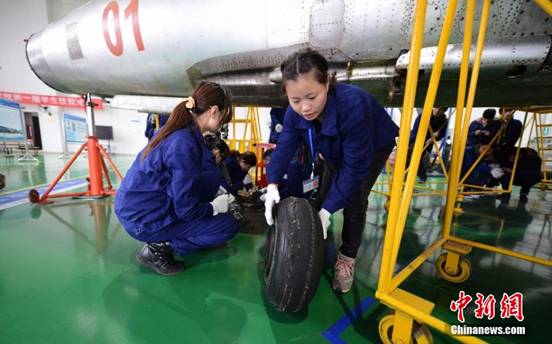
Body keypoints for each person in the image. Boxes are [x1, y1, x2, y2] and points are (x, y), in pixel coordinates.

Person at [264, 49, 398, 293]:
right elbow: (284, 148)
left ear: (327, 82)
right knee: (324, 193)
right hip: (335, 147)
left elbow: (355, 166)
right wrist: (272, 183)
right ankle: (317, 236)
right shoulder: (295, 112)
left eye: (311, 97)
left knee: (355, 199)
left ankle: (347, 258)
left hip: (372, 147)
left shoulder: (353, 105)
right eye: (295, 100)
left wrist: (329, 208)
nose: (304, 107)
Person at [115, 82, 237, 276]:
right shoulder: (184, 143)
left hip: (141, 205)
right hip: (144, 219)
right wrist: (214, 207)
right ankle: (159, 247)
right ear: (214, 111)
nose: (224, 123)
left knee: (211, 181)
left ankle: (169, 238)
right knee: (227, 226)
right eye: (224, 117)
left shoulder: (182, 131)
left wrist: (215, 190)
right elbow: (186, 209)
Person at [409, 107, 448, 181]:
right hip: (417, 141)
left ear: (444, 111)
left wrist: (434, 138)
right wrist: (416, 142)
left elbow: (442, 134)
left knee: (421, 159)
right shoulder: (423, 116)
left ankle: (422, 176)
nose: (438, 111)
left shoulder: (444, 121)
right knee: (412, 157)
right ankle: (419, 176)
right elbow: (415, 130)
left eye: (442, 110)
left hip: (428, 144)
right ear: (433, 107)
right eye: (437, 108)